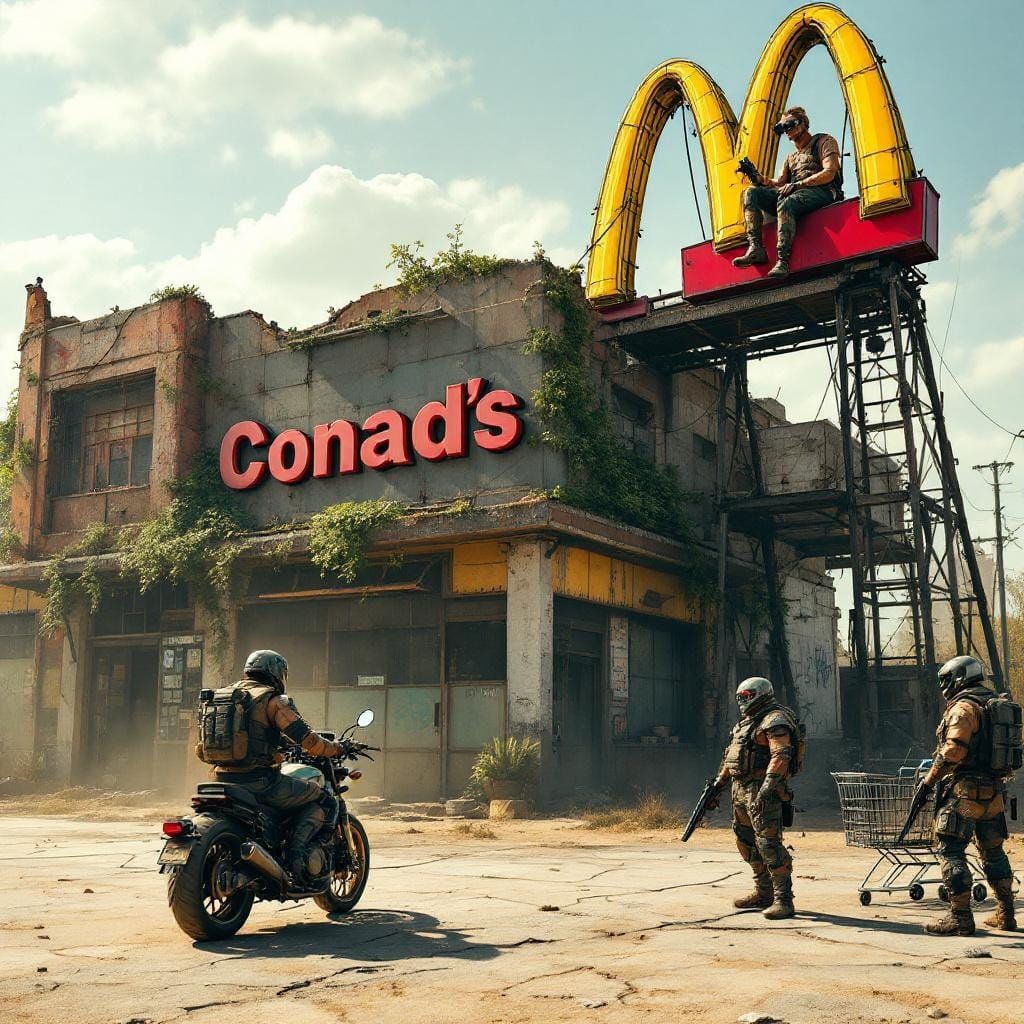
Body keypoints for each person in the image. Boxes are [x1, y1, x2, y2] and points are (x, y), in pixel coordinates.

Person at [212, 649, 343, 886]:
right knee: (326, 800)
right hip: (261, 782)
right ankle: (297, 856)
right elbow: (310, 742)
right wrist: (337, 748)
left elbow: (250, 735)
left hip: (220, 779)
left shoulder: (226, 695)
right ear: (277, 673)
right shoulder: (273, 701)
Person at [917, 655, 1017, 936]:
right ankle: (1006, 914)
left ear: (958, 678)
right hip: (993, 794)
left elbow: (953, 752)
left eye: (946, 680)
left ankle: (960, 917)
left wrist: (928, 782)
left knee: (951, 851)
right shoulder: (994, 704)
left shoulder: (964, 708)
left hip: (964, 796)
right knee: (993, 851)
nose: (944, 686)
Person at [710, 677, 801, 919]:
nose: (743, 701)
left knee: (768, 843)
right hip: (740, 789)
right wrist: (718, 786)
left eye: (747, 696)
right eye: (741, 697)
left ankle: (784, 899)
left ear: (761, 694)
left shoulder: (774, 720)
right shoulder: (746, 724)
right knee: (746, 841)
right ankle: (763, 892)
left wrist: (768, 788)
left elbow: (781, 754)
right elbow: (732, 758)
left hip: (762, 789)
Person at [733, 106, 842, 278]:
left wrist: (799, 185)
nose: (786, 131)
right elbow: (779, 183)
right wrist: (758, 178)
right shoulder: (791, 158)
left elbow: (830, 172)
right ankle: (756, 248)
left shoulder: (824, 141)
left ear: (803, 124)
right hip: (797, 193)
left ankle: (782, 260)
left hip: (824, 191)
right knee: (751, 193)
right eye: (782, 127)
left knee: (786, 202)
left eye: (789, 125)